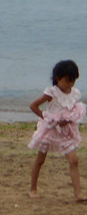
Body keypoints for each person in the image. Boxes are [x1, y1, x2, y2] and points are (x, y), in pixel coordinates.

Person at [28, 60, 86, 201]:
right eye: (67, 81)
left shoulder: (75, 94)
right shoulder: (52, 93)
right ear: (58, 78)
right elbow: (34, 106)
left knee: (74, 160)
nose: (70, 84)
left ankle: (78, 194)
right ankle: (33, 189)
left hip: (65, 132)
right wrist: (47, 118)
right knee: (40, 160)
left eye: (72, 81)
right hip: (49, 131)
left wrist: (69, 119)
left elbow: (73, 110)